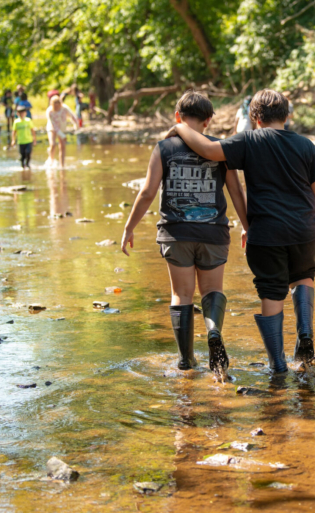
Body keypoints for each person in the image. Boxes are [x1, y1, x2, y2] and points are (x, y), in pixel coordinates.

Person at [166, 89, 315, 374]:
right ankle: (305, 334)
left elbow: (209, 150)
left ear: (254, 117)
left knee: (271, 292)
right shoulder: (305, 144)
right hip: (304, 230)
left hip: (267, 232)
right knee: (304, 276)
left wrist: (180, 127)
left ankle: (278, 364)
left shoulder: (248, 140)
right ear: (287, 115)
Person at [121, 91, 249, 377]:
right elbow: (237, 192)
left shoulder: (164, 148)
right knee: (212, 292)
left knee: (181, 294)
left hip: (175, 233)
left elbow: (147, 192)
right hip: (214, 233)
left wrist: (129, 227)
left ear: (177, 117)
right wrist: (247, 226)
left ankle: (185, 361)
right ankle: (213, 330)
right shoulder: (220, 148)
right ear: (208, 120)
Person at [45, 94, 78, 168]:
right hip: (52, 128)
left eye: (58, 105)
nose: (56, 107)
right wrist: (62, 135)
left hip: (62, 128)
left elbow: (72, 116)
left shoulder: (65, 108)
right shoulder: (49, 111)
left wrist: (76, 125)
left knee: (62, 146)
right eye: (55, 106)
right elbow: (53, 125)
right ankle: (51, 159)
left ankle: (62, 165)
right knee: (53, 144)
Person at [11, 105, 36, 170]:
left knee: (28, 153)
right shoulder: (16, 122)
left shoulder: (28, 120)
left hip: (28, 140)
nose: (21, 114)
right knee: (22, 155)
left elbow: (32, 130)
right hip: (20, 141)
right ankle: (22, 166)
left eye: (23, 112)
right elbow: (14, 131)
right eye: (20, 113)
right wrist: (13, 140)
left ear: (25, 113)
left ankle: (28, 165)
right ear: (17, 113)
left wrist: (34, 139)